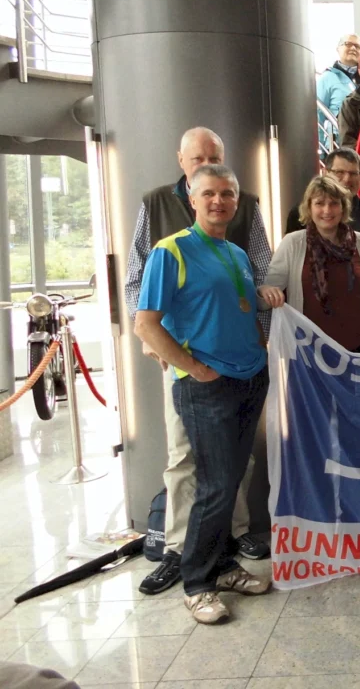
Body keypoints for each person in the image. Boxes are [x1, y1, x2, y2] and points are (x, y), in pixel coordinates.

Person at [125, 127, 271, 597]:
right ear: (191, 195)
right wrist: (191, 365)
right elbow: (145, 321)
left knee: (227, 480)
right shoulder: (169, 250)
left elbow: (245, 306)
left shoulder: (235, 252)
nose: (220, 201)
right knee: (209, 481)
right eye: (209, 193)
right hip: (206, 382)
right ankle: (197, 581)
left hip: (248, 379)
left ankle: (223, 562)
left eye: (227, 194)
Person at [260, 175, 360, 352]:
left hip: (356, 349)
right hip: (309, 352)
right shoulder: (293, 243)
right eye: (319, 203)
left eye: (334, 203)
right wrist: (264, 291)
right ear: (309, 208)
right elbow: (266, 295)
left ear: (343, 208)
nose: (327, 210)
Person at [286, 147, 360, 261]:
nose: (347, 179)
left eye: (353, 173)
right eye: (339, 172)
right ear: (325, 173)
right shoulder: (299, 215)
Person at [317, 34, 360, 148]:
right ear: (338, 49)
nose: (353, 48)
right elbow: (317, 116)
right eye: (348, 44)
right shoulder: (327, 78)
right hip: (337, 147)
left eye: (357, 46)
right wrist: (320, 152)